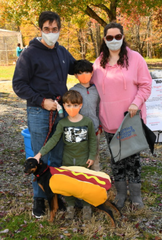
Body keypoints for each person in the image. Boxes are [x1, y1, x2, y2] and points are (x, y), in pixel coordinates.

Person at [12, 11, 76, 218]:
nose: (51, 33)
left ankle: (55, 194)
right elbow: (18, 84)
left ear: (59, 30)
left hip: (60, 109)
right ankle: (39, 198)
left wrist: (104, 64)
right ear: (40, 30)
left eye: (55, 29)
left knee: (57, 154)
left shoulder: (62, 52)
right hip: (40, 110)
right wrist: (41, 100)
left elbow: (78, 67)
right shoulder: (29, 53)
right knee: (41, 155)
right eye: (47, 29)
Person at [91, 22, 152, 210]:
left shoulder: (135, 58)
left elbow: (145, 85)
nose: (114, 40)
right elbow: (93, 91)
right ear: (104, 40)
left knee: (132, 159)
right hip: (109, 122)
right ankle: (119, 193)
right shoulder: (98, 63)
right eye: (110, 37)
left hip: (130, 120)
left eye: (118, 36)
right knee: (116, 159)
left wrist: (136, 102)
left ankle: (135, 196)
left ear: (123, 37)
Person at [34, 90, 97, 220]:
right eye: (68, 105)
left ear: (80, 105)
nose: (72, 108)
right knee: (68, 184)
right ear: (63, 106)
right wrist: (40, 153)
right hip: (67, 160)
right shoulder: (62, 123)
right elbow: (53, 140)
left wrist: (91, 156)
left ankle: (86, 207)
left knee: (84, 183)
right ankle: (70, 207)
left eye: (75, 105)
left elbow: (92, 140)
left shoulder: (87, 122)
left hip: (83, 160)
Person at [70, 59, 101, 171]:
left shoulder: (97, 90)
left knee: (95, 156)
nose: (84, 75)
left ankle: (96, 180)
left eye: (87, 72)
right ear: (75, 75)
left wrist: (100, 124)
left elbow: (98, 108)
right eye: (80, 72)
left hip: (95, 129)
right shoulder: (73, 91)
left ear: (92, 73)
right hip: (78, 130)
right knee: (80, 157)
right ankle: (82, 182)